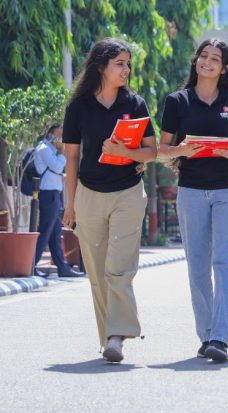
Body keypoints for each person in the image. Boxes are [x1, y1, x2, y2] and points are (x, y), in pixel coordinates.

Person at [159, 38, 228, 362]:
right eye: (204, 56)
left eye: (215, 59)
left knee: (224, 263)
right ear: (196, 61)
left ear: (224, 68)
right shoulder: (177, 101)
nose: (208, 62)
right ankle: (206, 334)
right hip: (191, 191)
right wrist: (182, 150)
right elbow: (162, 149)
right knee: (198, 266)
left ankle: (220, 338)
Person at [62, 38, 157, 363]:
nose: (126, 69)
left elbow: (152, 151)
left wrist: (125, 152)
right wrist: (70, 204)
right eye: (120, 63)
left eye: (128, 64)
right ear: (101, 66)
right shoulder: (78, 107)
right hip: (89, 194)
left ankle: (118, 335)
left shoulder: (135, 104)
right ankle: (108, 337)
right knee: (97, 271)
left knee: (119, 268)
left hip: (128, 192)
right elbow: (72, 159)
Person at [33, 123, 84, 278]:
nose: (61, 138)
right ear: (50, 134)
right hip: (48, 195)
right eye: (58, 135)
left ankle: (62, 268)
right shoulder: (44, 148)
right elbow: (56, 166)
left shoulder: (50, 149)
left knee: (55, 233)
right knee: (45, 231)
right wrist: (62, 152)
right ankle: (31, 264)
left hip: (54, 194)